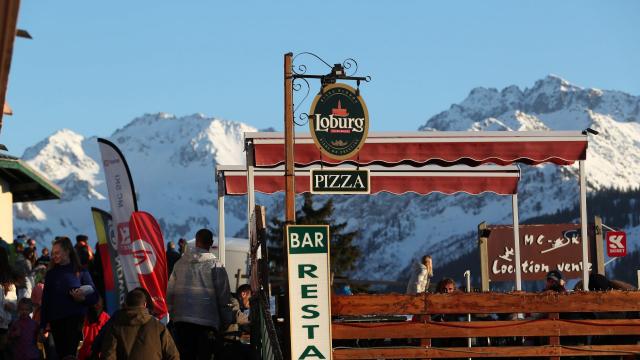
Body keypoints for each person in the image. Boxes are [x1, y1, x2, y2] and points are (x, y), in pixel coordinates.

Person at [167, 228, 232, 360]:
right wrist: (227, 321)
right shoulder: (216, 266)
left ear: (196, 242)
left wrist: (172, 314)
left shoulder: (179, 264)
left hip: (181, 322)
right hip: (206, 324)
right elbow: (223, 296)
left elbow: (170, 292)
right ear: (211, 243)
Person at [40, 236, 98, 358]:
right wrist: (42, 325)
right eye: (53, 253)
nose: (54, 256)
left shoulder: (81, 271)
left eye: (57, 253)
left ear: (67, 251)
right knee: (61, 355)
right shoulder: (51, 274)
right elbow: (45, 300)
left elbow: (95, 296)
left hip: (75, 321)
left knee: (70, 355)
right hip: (56, 322)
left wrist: (82, 299)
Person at [100, 288, 179, 360]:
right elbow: (173, 355)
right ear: (145, 304)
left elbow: (108, 355)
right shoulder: (159, 327)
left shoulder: (115, 326)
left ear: (126, 304)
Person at [0, 247, 18, 358]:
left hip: (3, 324)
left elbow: (13, 304)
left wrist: (9, 305)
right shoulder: (9, 282)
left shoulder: (8, 283)